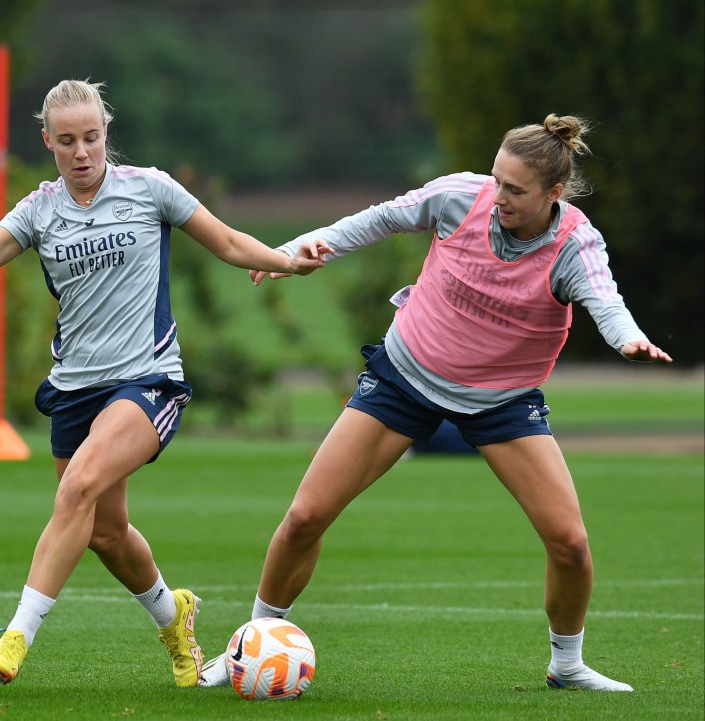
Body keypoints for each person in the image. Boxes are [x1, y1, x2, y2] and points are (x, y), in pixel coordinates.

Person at [199, 114, 672, 692]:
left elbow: (605, 297)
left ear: (553, 194)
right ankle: (254, 645)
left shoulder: (575, 243)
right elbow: (378, 220)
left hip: (502, 402)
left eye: (515, 190)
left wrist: (628, 339)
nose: (498, 197)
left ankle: (567, 665)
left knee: (570, 544)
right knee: (304, 518)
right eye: (497, 180)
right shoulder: (459, 198)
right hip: (405, 376)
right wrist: (291, 250)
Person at [0, 79, 330, 687]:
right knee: (105, 531)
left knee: (76, 487)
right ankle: (173, 615)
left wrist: (286, 259)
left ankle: (16, 638)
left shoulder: (150, 189)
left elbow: (231, 243)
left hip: (147, 380)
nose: (82, 152)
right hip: (74, 388)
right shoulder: (38, 210)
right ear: (48, 143)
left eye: (92, 138)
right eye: (68, 141)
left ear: (106, 134)